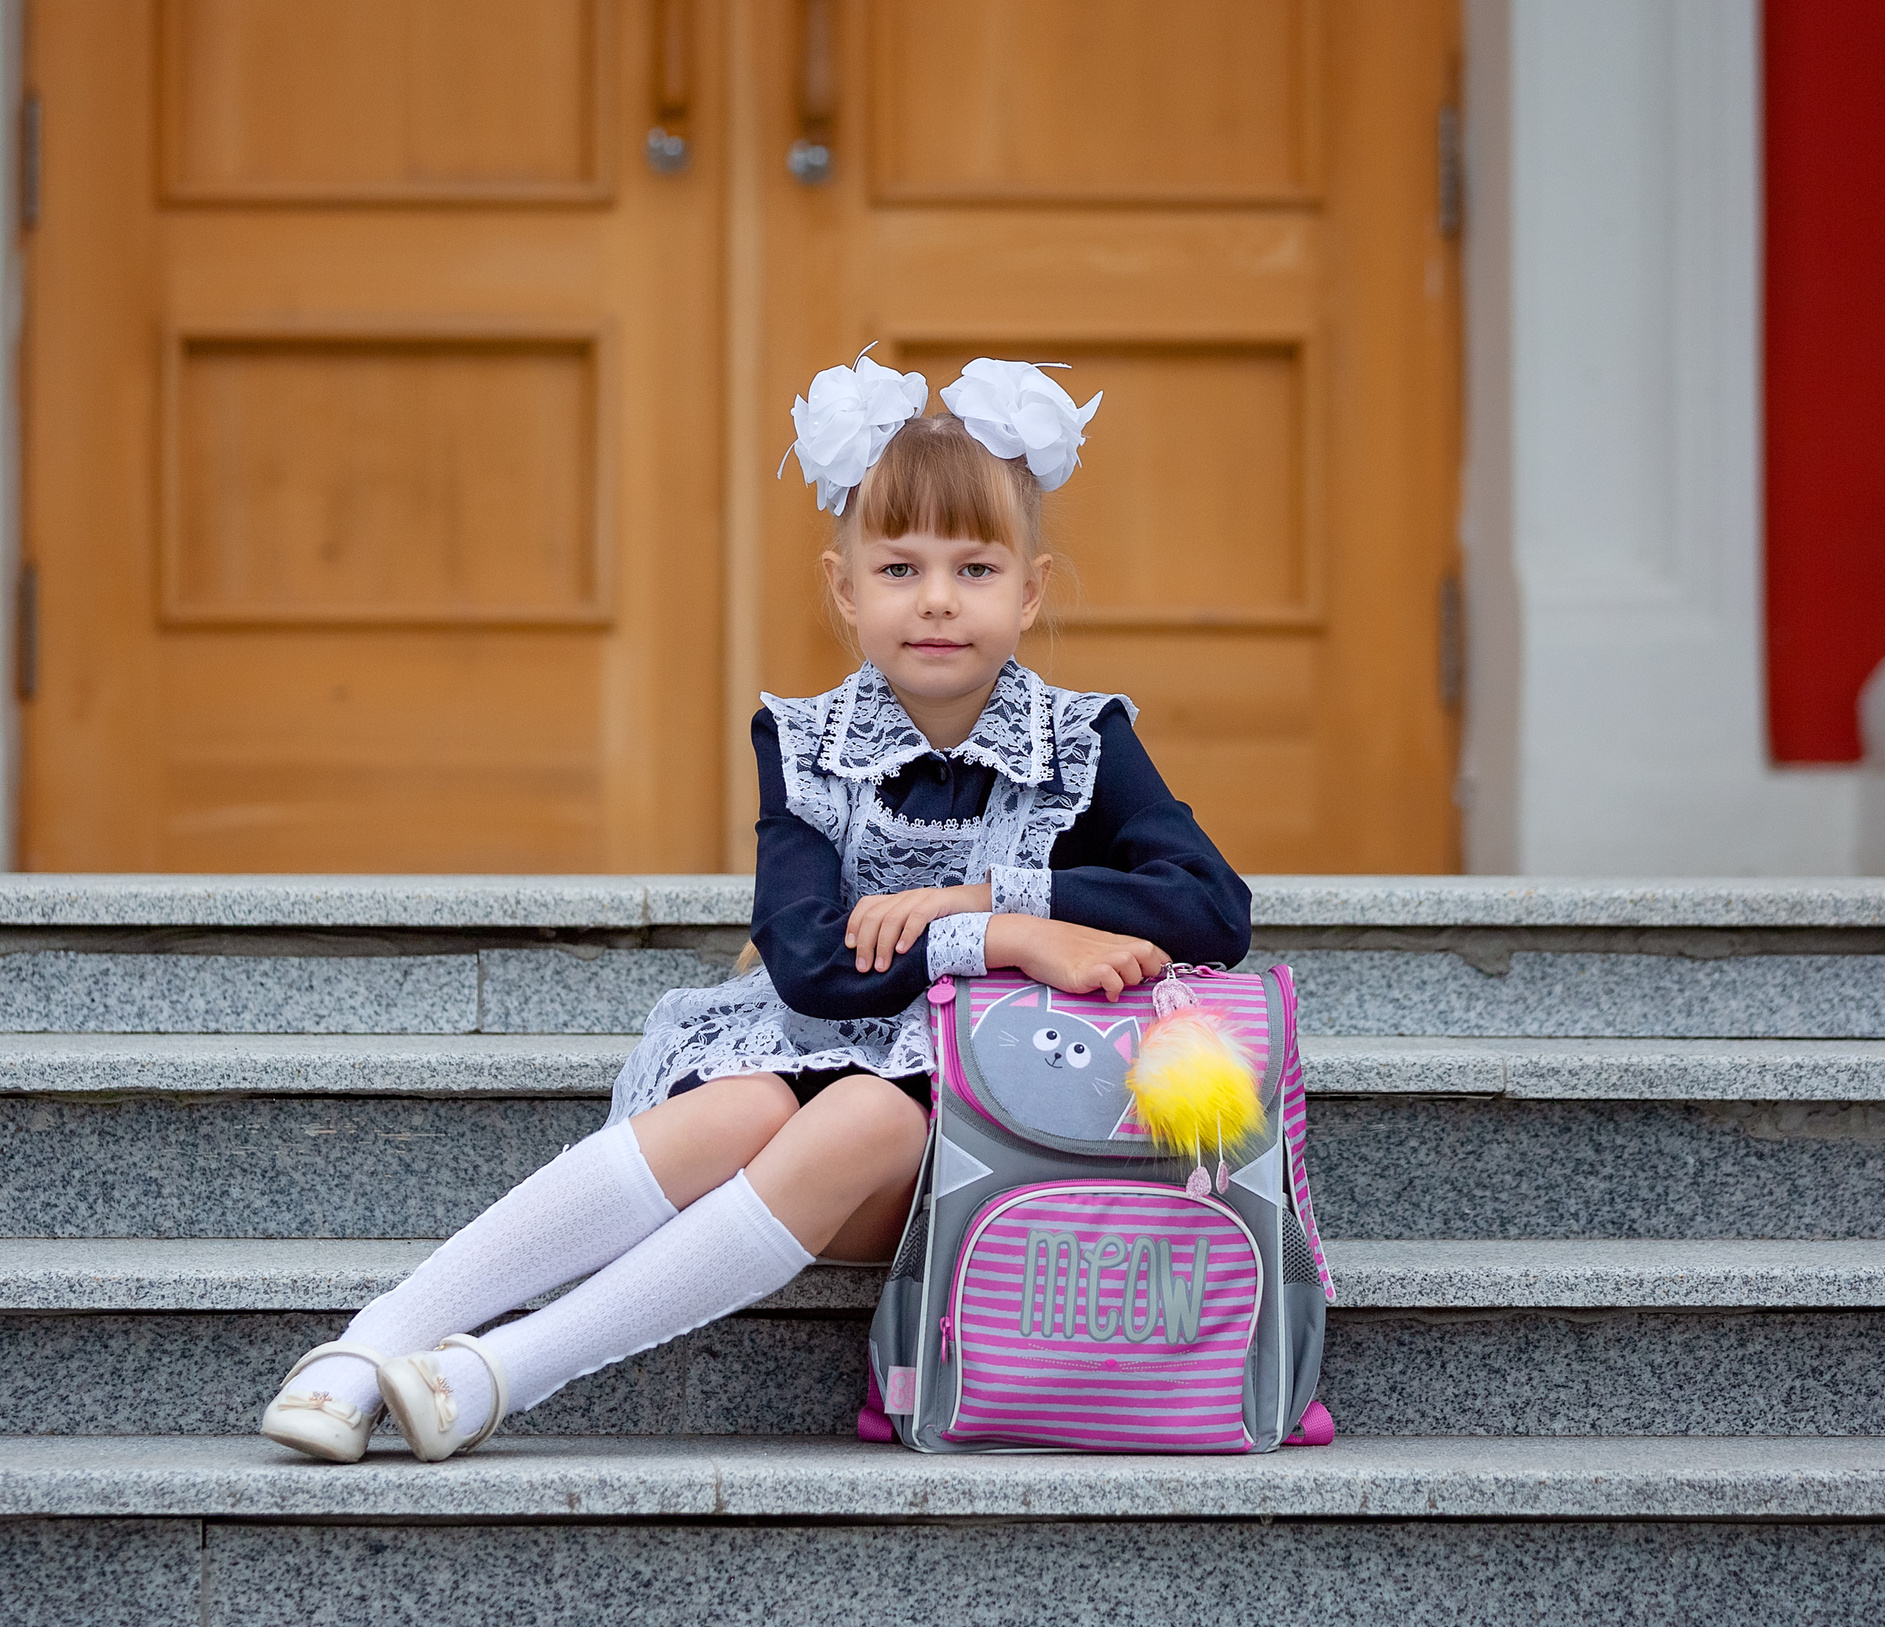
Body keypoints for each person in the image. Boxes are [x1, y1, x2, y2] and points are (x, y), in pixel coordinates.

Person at [258, 352, 1253, 1463]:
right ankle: (368, 1344)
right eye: (899, 566)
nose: (935, 599)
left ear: (1028, 590)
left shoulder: (1081, 740)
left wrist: (991, 894)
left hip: (978, 1137)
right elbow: (810, 968)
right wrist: (1002, 938)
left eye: (974, 569)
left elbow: (1211, 906)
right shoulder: (808, 743)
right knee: (741, 1109)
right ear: (844, 587)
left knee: (870, 1112)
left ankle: (502, 1373)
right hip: (804, 1066)